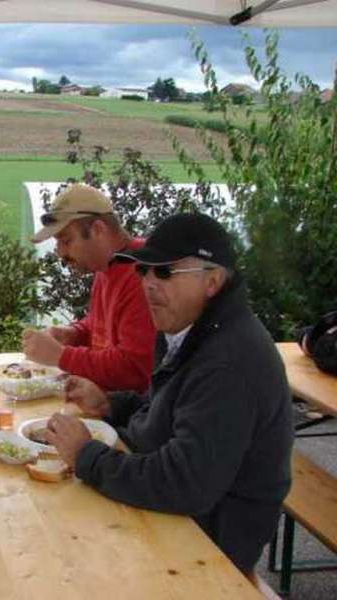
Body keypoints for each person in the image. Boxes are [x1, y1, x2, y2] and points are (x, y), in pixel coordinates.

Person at [44, 213, 293, 576]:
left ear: (212, 281)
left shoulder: (228, 363)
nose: (147, 283)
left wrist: (87, 457)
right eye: (143, 271)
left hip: (211, 540)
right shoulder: (187, 328)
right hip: (182, 510)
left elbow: (185, 484)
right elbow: (168, 407)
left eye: (164, 272)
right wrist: (111, 405)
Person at [23, 183, 155, 392]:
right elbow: (102, 327)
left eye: (66, 241)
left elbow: (134, 369)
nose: (60, 253)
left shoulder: (143, 274)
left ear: (98, 230)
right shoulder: (107, 266)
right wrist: (73, 334)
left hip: (131, 415)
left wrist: (61, 356)